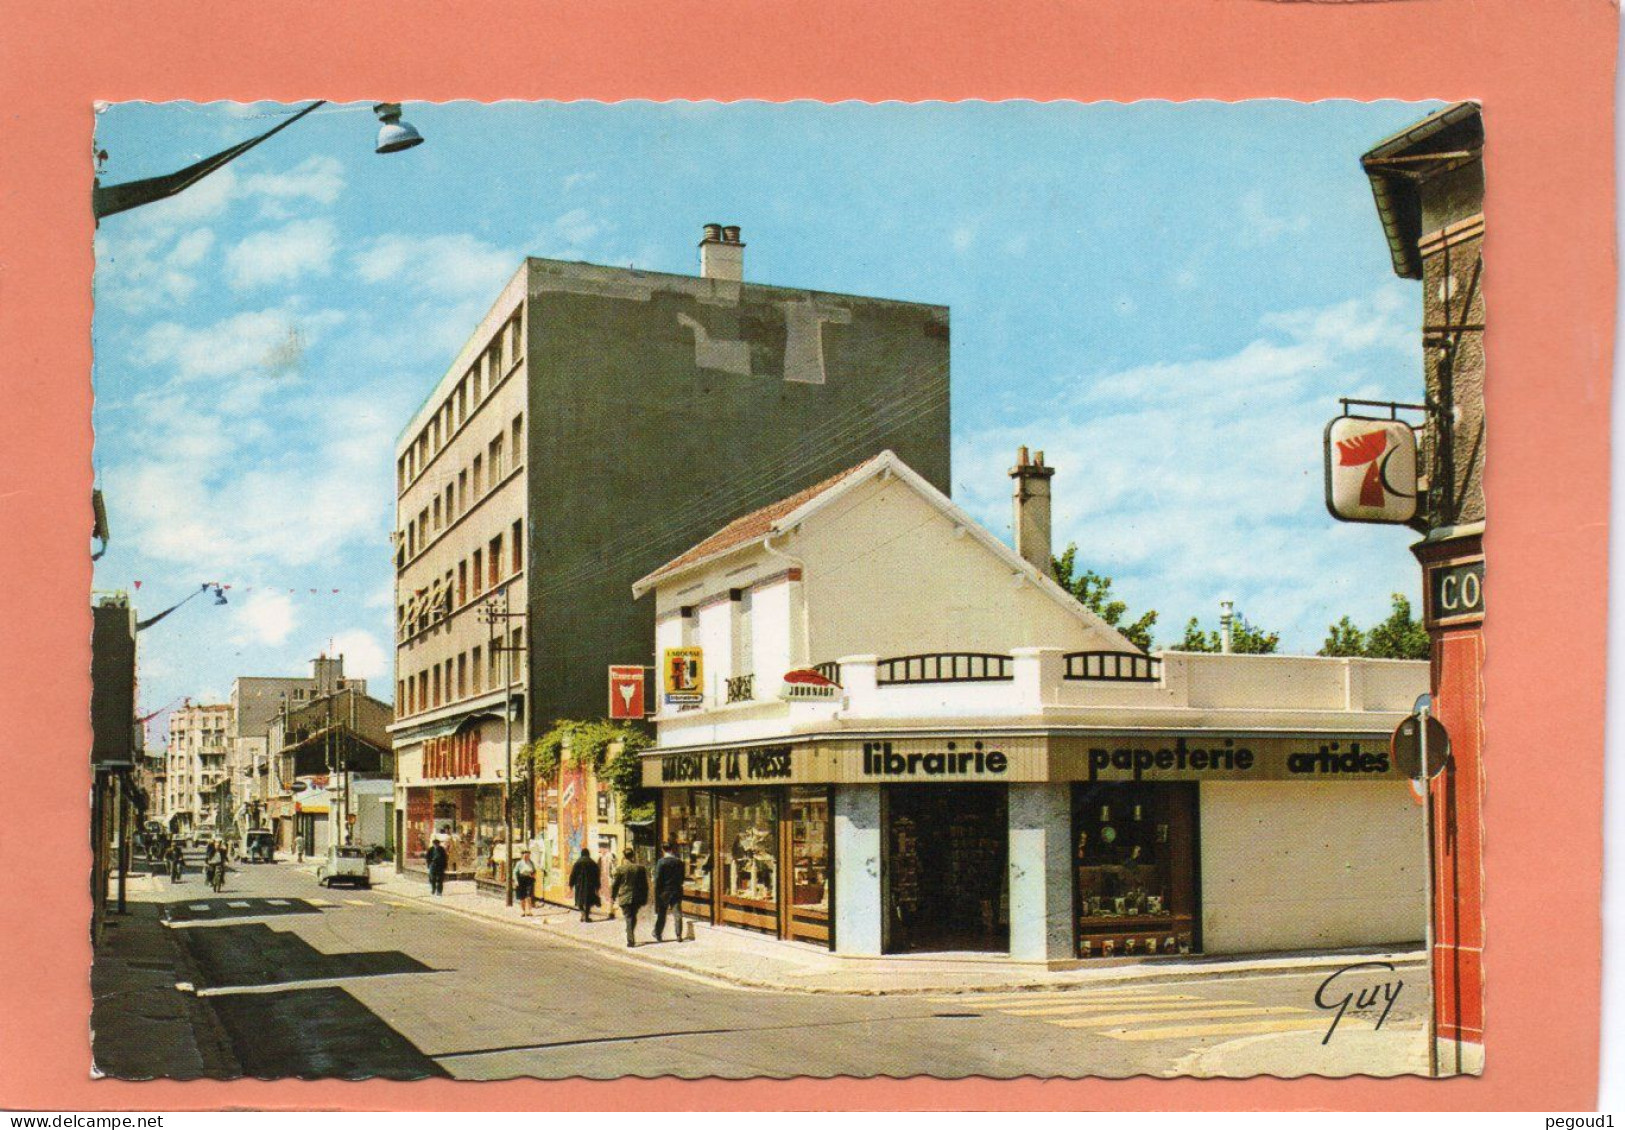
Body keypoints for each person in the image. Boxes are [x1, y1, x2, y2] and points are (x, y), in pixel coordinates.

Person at [611, 847, 650, 948]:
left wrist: (613, 896)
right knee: (633, 916)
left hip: (624, 896)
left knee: (629, 917)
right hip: (637, 897)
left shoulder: (620, 869)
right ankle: (630, 933)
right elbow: (644, 885)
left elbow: (615, 884)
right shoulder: (640, 868)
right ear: (633, 856)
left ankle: (630, 939)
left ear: (624, 857)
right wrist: (645, 897)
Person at [653, 842, 686, 943]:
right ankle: (679, 934)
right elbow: (682, 877)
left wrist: (657, 891)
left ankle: (658, 933)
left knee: (662, 914)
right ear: (672, 849)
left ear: (663, 850)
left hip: (664, 891)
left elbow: (657, 878)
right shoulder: (679, 862)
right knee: (677, 913)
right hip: (676, 890)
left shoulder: (661, 862)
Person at [568, 847, 601, 922]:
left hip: (579, 885)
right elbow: (597, 875)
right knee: (588, 902)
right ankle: (586, 916)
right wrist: (597, 885)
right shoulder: (592, 863)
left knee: (579, 900)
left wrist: (571, 884)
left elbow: (573, 874)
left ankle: (582, 913)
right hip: (590, 885)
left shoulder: (578, 863)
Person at [513, 850, 538, 917]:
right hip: (521, 879)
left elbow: (534, 871)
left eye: (527, 856)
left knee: (529, 896)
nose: (526, 857)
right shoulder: (519, 863)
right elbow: (515, 872)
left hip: (529, 879)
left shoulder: (531, 863)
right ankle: (523, 911)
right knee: (522, 897)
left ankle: (529, 911)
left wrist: (533, 875)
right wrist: (516, 881)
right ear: (522, 856)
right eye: (525, 856)